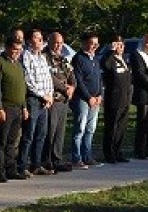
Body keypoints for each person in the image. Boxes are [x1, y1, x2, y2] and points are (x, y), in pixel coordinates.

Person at [18, 29, 55, 176]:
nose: (39, 42)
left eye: (41, 39)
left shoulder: (42, 57)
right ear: (28, 41)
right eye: (36, 39)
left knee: (41, 134)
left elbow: (48, 78)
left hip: (45, 101)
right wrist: (42, 95)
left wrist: (50, 95)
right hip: (33, 99)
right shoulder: (26, 56)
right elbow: (28, 80)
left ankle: (36, 164)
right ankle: (22, 165)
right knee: (29, 135)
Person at [70, 31, 103, 168]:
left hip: (95, 100)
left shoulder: (95, 59)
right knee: (80, 129)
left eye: (96, 44)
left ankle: (87, 156)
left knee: (90, 129)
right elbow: (78, 80)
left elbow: (99, 79)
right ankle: (76, 158)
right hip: (83, 99)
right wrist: (88, 97)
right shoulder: (78, 58)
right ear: (84, 43)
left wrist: (100, 95)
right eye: (91, 43)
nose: (94, 46)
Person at [45, 31, 76, 172]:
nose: (59, 45)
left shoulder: (63, 59)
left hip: (64, 101)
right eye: (56, 42)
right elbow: (50, 77)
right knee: (49, 132)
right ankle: (47, 160)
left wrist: (72, 87)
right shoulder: (44, 57)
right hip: (53, 100)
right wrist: (65, 88)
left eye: (61, 43)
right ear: (49, 41)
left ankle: (57, 159)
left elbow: (71, 75)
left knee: (60, 133)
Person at [0, 37, 28, 182]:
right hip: (6, 107)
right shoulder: (1, 62)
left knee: (12, 141)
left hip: (18, 108)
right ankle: (0, 171)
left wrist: (24, 107)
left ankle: (11, 169)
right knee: (2, 141)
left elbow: (22, 87)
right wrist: (0, 108)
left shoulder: (18, 65)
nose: (17, 52)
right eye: (15, 49)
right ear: (7, 48)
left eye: (20, 50)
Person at [100, 34, 132, 163]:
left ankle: (117, 151)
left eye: (121, 45)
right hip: (114, 98)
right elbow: (105, 65)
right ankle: (109, 153)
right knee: (112, 127)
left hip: (124, 98)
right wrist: (110, 51)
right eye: (117, 44)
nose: (120, 47)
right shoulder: (110, 59)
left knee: (121, 128)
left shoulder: (122, 59)